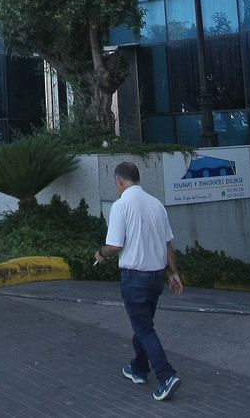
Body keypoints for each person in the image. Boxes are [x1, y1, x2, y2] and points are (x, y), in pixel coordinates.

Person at [94, 161, 182, 402]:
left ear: (120, 182)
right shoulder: (156, 204)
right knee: (143, 324)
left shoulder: (121, 206)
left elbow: (115, 245)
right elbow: (168, 244)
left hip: (135, 278)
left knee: (143, 327)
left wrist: (101, 254)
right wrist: (173, 273)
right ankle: (139, 368)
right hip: (156, 277)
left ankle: (166, 375)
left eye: (116, 184)